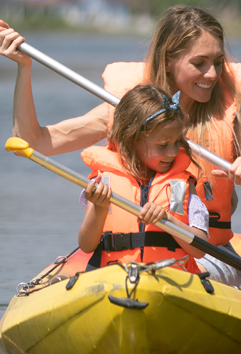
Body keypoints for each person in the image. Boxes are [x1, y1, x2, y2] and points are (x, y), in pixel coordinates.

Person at [0, 5, 241, 291]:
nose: (213, 75)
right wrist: (24, 68)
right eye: (199, 63)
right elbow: (32, 143)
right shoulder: (124, 115)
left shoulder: (234, 128)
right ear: (168, 60)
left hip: (208, 255)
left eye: (218, 63)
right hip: (129, 257)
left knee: (166, 275)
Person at [79, 84, 207, 273]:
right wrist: (99, 208)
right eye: (163, 145)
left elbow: (200, 249)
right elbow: (86, 245)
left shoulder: (182, 185)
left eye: (176, 142)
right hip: (115, 278)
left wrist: (168, 220)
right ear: (131, 139)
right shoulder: (103, 182)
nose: (172, 152)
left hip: (171, 279)